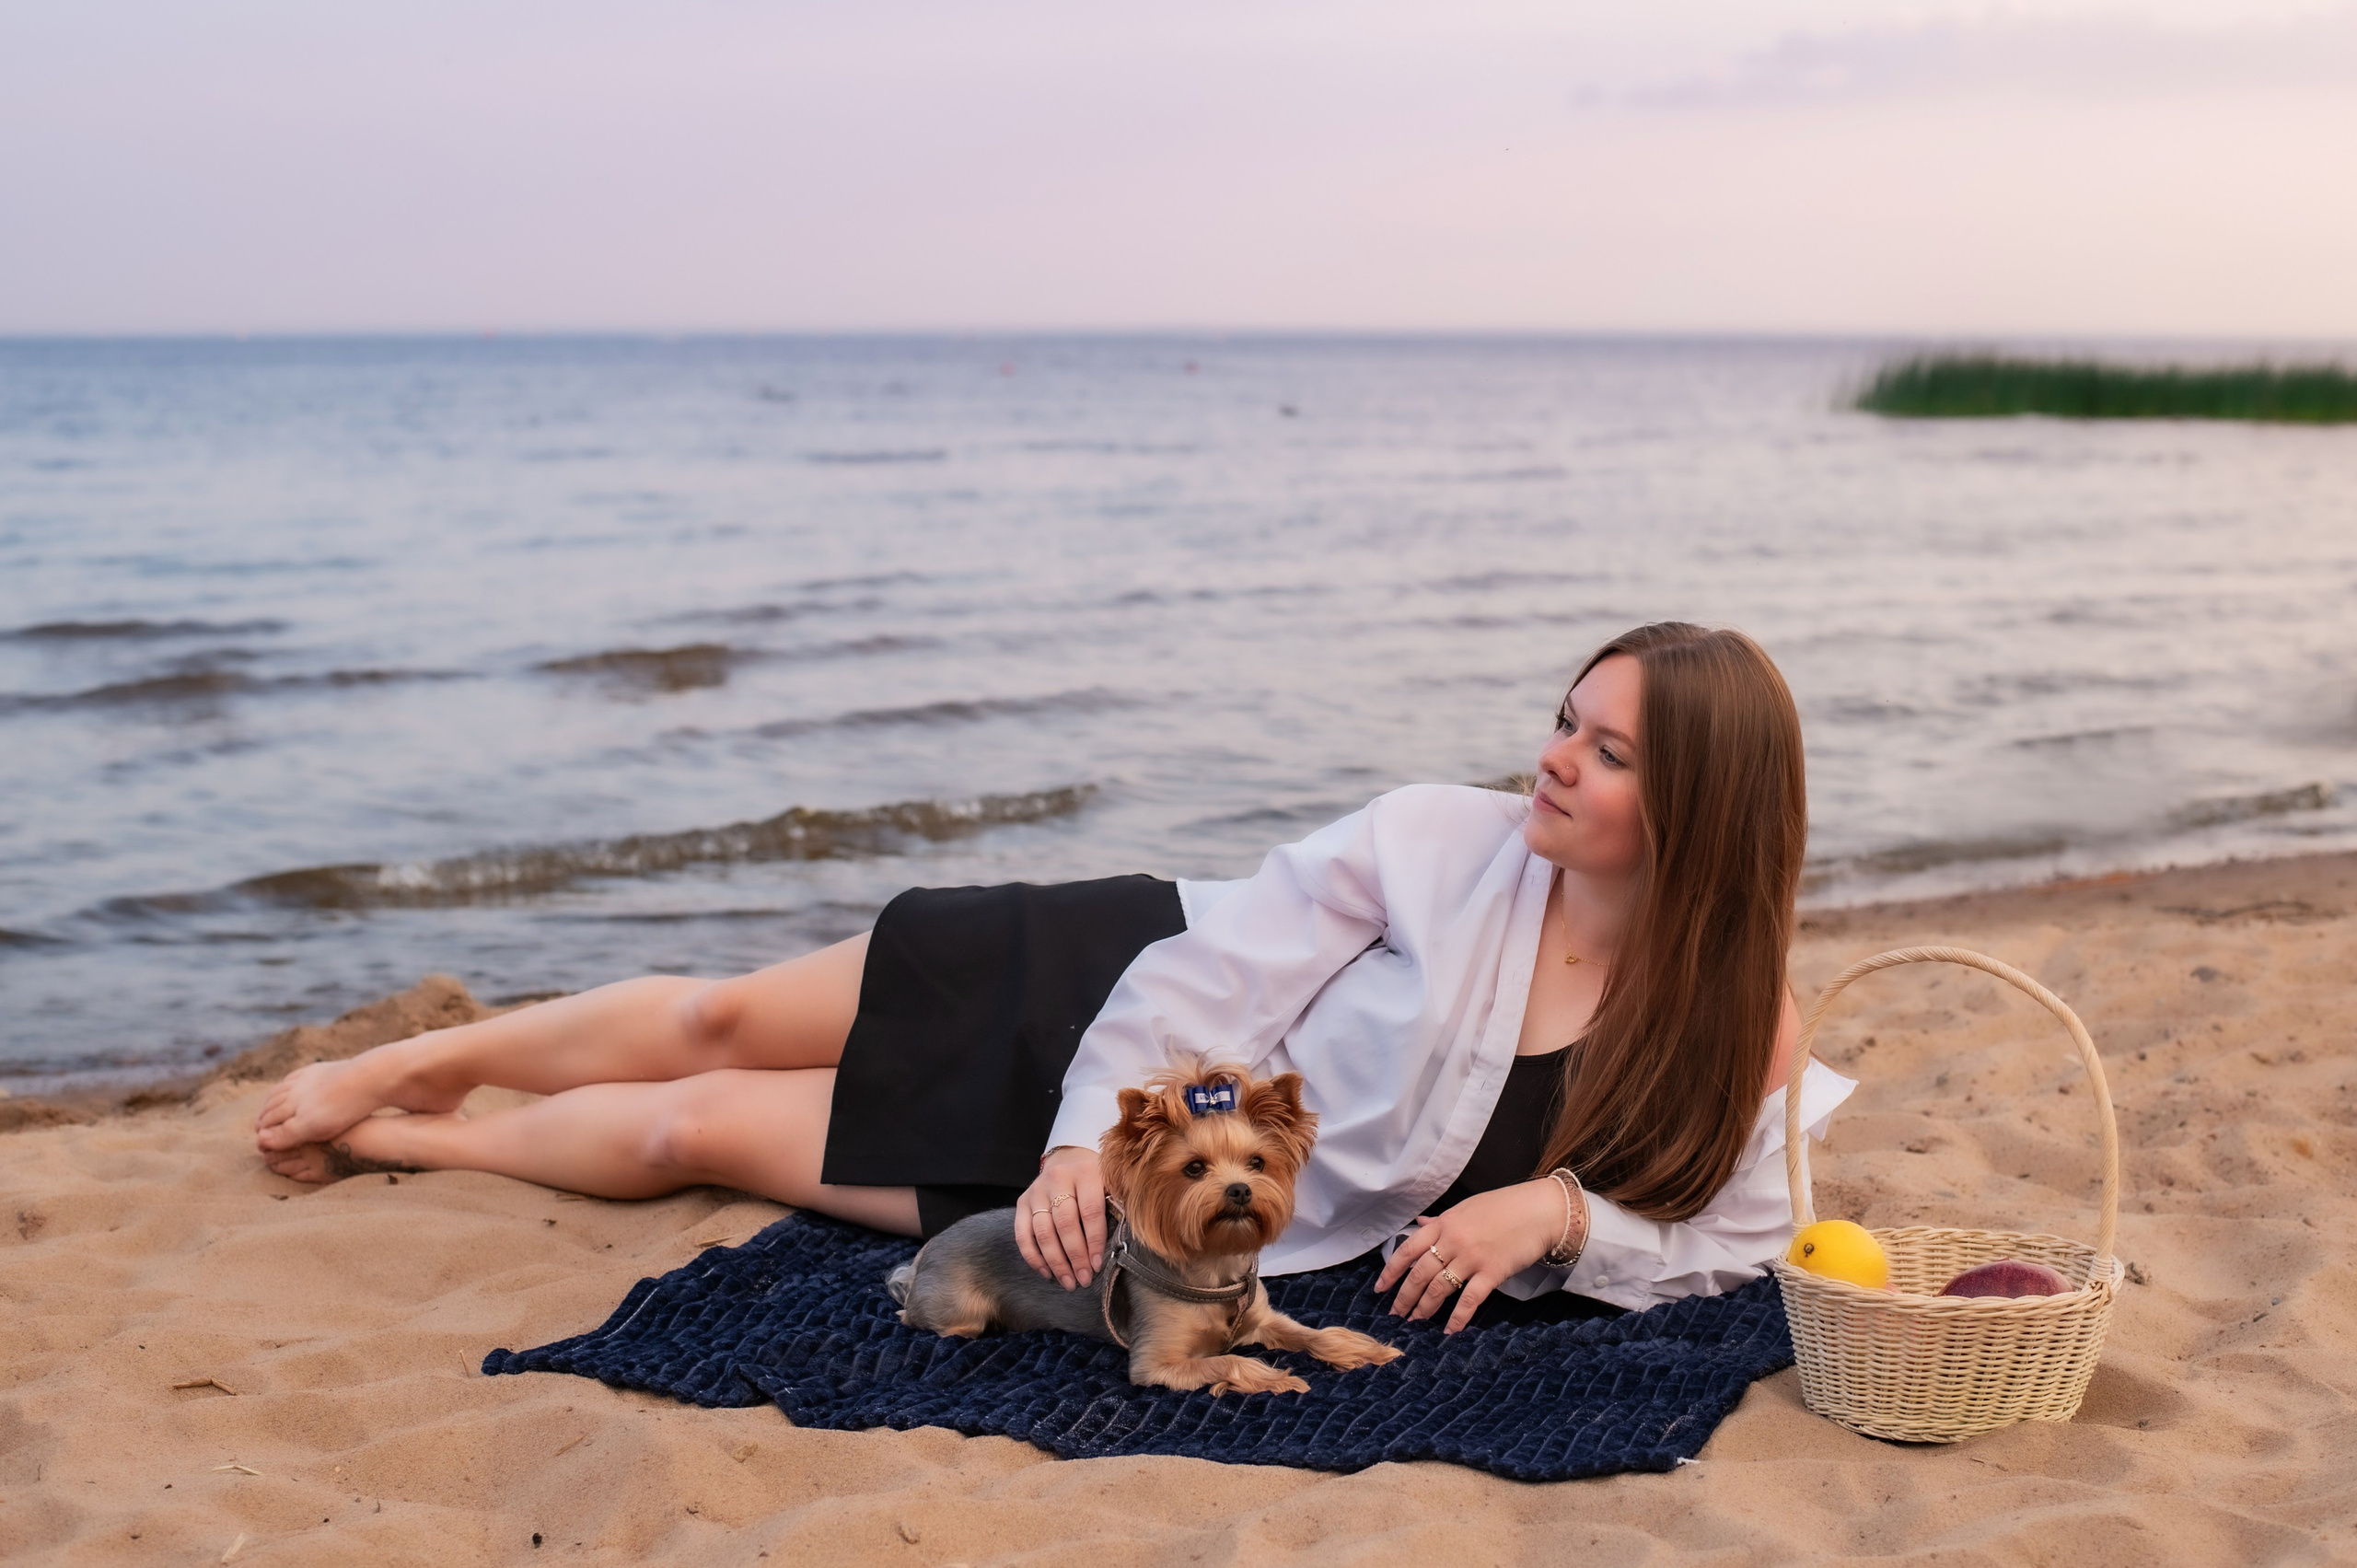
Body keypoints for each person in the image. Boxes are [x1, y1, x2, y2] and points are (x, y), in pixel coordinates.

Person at [255, 621, 1852, 1332]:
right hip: (1115, 995)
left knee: (697, 1133)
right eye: (1564, 718)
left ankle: (422, 1139)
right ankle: (409, 1062)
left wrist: (1563, 1214)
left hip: (1176, 1183)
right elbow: (1216, 979)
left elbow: (1744, 1233)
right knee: (720, 1018)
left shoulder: (1737, 1018)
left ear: (1700, 804)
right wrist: (1080, 1136)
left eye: (1605, 748)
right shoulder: (1443, 839)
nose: (1551, 758)